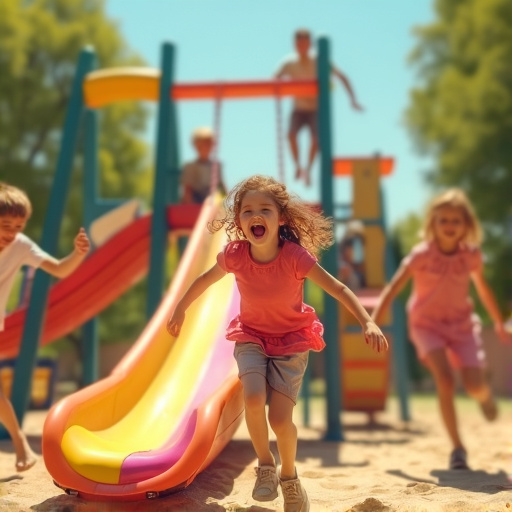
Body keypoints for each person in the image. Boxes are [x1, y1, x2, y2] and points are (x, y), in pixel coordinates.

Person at [167, 175, 388, 511]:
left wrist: (367, 320)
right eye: (248, 211)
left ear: (281, 217)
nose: (256, 216)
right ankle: (265, 467)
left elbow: (338, 289)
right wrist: (181, 307)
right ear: (239, 220)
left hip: (292, 342)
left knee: (281, 420)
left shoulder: (295, 257)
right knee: (254, 397)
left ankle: (289, 476)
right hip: (252, 337)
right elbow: (205, 280)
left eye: (265, 210)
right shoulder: (236, 255)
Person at [371, 188, 512, 471]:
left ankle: (484, 395)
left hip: (461, 325)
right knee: (445, 380)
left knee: (473, 383)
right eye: (443, 220)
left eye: (455, 221)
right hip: (427, 325)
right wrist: (372, 319)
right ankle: (458, 449)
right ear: (433, 224)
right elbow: (394, 287)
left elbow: (482, 290)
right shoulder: (421, 255)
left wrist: (498, 321)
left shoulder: (471, 256)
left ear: (466, 225)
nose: (449, 226)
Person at [0, 182, 90, 471]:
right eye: (5, 225)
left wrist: (77, 254)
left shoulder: (21, 245)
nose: (11, 232)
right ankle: (22, 445)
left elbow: (59, 269)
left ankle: (21, 443)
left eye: (18, 225)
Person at [275, 28, 364, 186]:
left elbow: (342, 76)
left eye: (305, 43)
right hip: (299, 108)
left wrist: (352, 99)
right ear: (295, 45)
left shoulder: (319, 60)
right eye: (299, 43)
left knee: (316, 139)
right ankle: (297, 166)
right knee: (291, 134)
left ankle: (308, 169)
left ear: (310, 44)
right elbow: (274, 80)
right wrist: (278, 88)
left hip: (315, 109)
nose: (302, 47)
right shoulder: (289, 63)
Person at [180, 126, 227, 204]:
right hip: (196, 200)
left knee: (216, 196)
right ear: (196, 146)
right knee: (212, 198)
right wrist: (190, 208)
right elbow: (187, 191)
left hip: (212, 198)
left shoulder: (216, 166)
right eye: (202, 144)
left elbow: (222, 188)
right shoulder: (190, 166)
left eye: (209, 144)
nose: (206, 147)